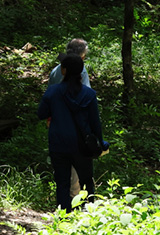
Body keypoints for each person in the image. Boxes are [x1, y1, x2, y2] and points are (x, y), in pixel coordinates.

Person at [37, 54, 108, 212]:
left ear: (64, 70)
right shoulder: (89, 95)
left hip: (58, 144)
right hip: (82, 145)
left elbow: (41, 113)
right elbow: (95, 123)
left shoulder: (53, 92)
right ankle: (87, 215)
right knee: (86, 181)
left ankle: (64, 216)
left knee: (62, 182)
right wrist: (101, 142)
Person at [49, 38, 91, 198]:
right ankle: (74, 202)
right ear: (82, 55)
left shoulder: (56, 70)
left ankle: (63, 199)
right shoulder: (80, 71)